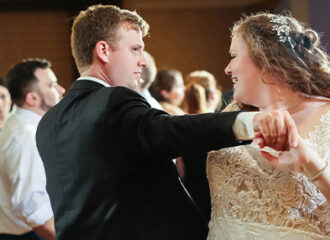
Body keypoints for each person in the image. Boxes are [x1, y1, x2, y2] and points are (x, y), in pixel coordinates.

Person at [35, 5, 298, 240]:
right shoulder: (113, 99)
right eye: (135, 49)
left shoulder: (48, 123)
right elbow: (166, 130)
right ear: (103, 50)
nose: (142, 61)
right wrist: (249, 122)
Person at [206, 13, 330, 240]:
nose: (227, 69)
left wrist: (311, 164)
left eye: (233, 56)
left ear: (264, 57)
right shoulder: (232, 117)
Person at [0, 58, 65, 240]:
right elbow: (29, 203)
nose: (61, 90)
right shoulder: (25, 136)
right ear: (32, 98)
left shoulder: (20, 123)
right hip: (28, 234)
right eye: (52, 85)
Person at [181, 70, 222, 220]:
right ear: (213, 95)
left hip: (190, 197)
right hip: (214, 200)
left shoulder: (180, 124)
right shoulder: (218, 126)